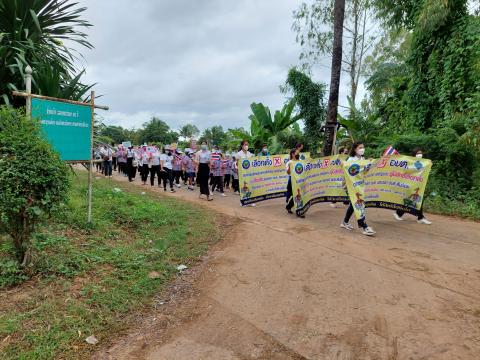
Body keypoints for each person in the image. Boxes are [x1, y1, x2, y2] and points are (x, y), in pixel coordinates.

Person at [341, 141, 376, 236]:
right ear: (355, 149)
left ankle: (345, 222)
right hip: (351, 186)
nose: (362, 149)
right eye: (360, 147)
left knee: (353, 205)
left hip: (359, 185)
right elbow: (346, 172)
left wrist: (368, 164)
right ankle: (364, 226)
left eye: (363, 147)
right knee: (358, 203)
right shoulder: (350, 160)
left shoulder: (363, 159)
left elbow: (363, 172)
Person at [393, 147, 432, 225]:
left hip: (418, 185)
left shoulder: (424, 162)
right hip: (410, 184)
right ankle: (420, 218)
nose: (420, 155)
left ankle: (399, 213)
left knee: (412, 200)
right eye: (418, 153)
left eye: (421, 153)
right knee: (416, 199)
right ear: (414, 154)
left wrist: (429, 163)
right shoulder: (409, 162)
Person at [285, 149, 305, 218]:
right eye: (296, 153)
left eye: (298, 153)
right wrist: (290, 166)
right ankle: (297, 210)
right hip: (292, 180)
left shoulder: (300, 161)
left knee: (299, 195)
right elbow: (288, 172)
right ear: (293, 154)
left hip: (299, 180)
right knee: (295, 195)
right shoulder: (289, 162)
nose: (298, 154)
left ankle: (292, 207)